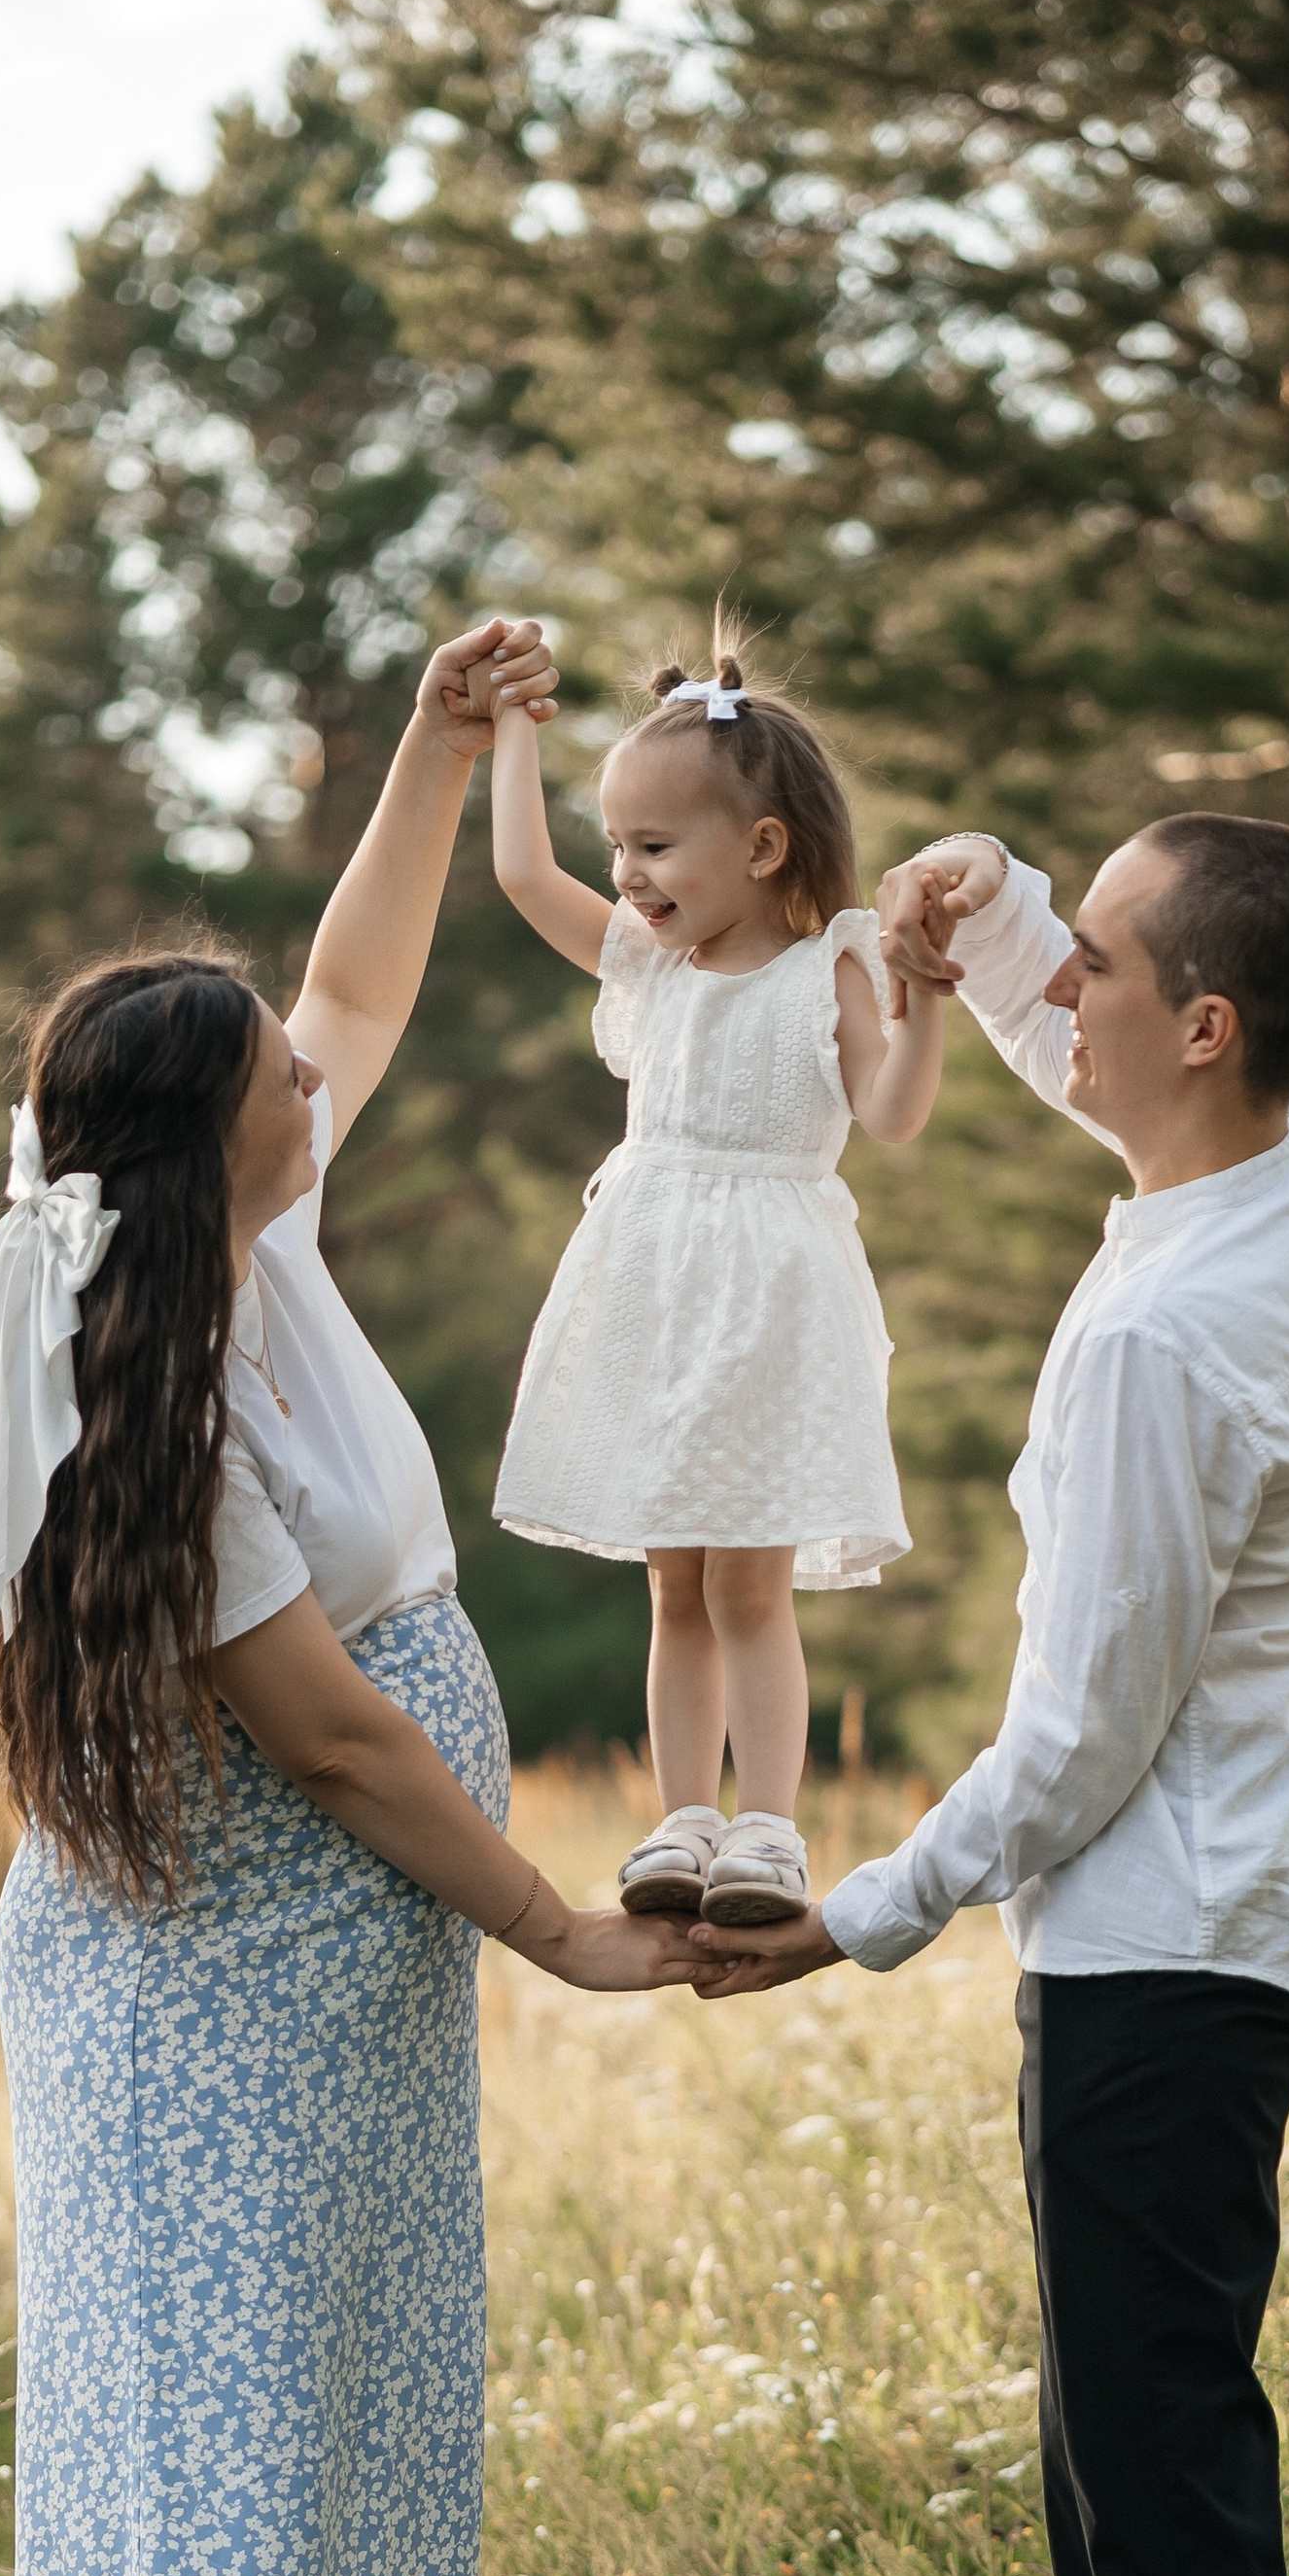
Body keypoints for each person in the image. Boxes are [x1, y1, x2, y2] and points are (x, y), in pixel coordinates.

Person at [0, 617, 714, 2576]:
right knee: (216, 2430)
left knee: (264, 2422)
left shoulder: (222, 1252)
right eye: (284, 1077)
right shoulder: (141, 1410)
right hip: (234, 1953)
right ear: (216, 1144)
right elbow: (335, 1742)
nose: (320, 1066)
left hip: (299, 1957)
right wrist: (561, 1930)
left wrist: (435, 746)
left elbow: (354, 968)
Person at [693, 815, 1289, 2576]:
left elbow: (1079, 1738)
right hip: (1215, 1913)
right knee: (1104, 2460)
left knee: (1160, 2477)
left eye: (1086, 962)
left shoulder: (1169, 1344)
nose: (1049, 997)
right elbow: (1101, 1060)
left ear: (1200, 1023)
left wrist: (861, 1911)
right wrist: (990, 918)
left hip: (1165, 1939)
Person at [483, 639, 943, 1930]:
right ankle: (684, 1817)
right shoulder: (650, 966)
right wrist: (514, 725)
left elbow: (893, 1113)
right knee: (672, 1583)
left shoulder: (831, 968)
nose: (627, 877)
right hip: (655, 1292)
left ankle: (770, 1831)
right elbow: (525, 872)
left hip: (766, 1302)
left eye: (656, 850)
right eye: (620, 848)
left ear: (763, 847)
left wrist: (928, 1006)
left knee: (750, 1584)